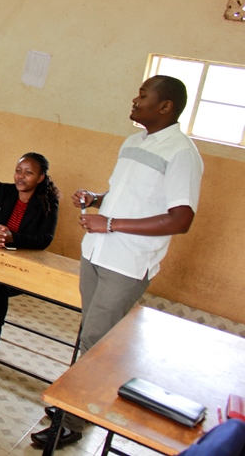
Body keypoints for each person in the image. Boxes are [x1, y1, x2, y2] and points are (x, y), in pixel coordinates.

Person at [31, 75, 204, 449]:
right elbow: (129, 197)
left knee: (97, 339)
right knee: (91, 335)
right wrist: (96, 199)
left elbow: (181, 219)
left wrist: (110, 223)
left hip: (127, 262)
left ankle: (74, 420)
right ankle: (75, 400)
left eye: (143, 95)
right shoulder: (133, 142)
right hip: (97, 251)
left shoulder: (181, 153)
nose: (135, 100)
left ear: (166, 106)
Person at [0, 152, 60, 354]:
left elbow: (45, 238)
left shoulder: (48, 202)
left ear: (40, 178)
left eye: (28, 173)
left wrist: (12, 237)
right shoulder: (4, 191)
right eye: (18, 171)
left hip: (21, 264)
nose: (20, 177)